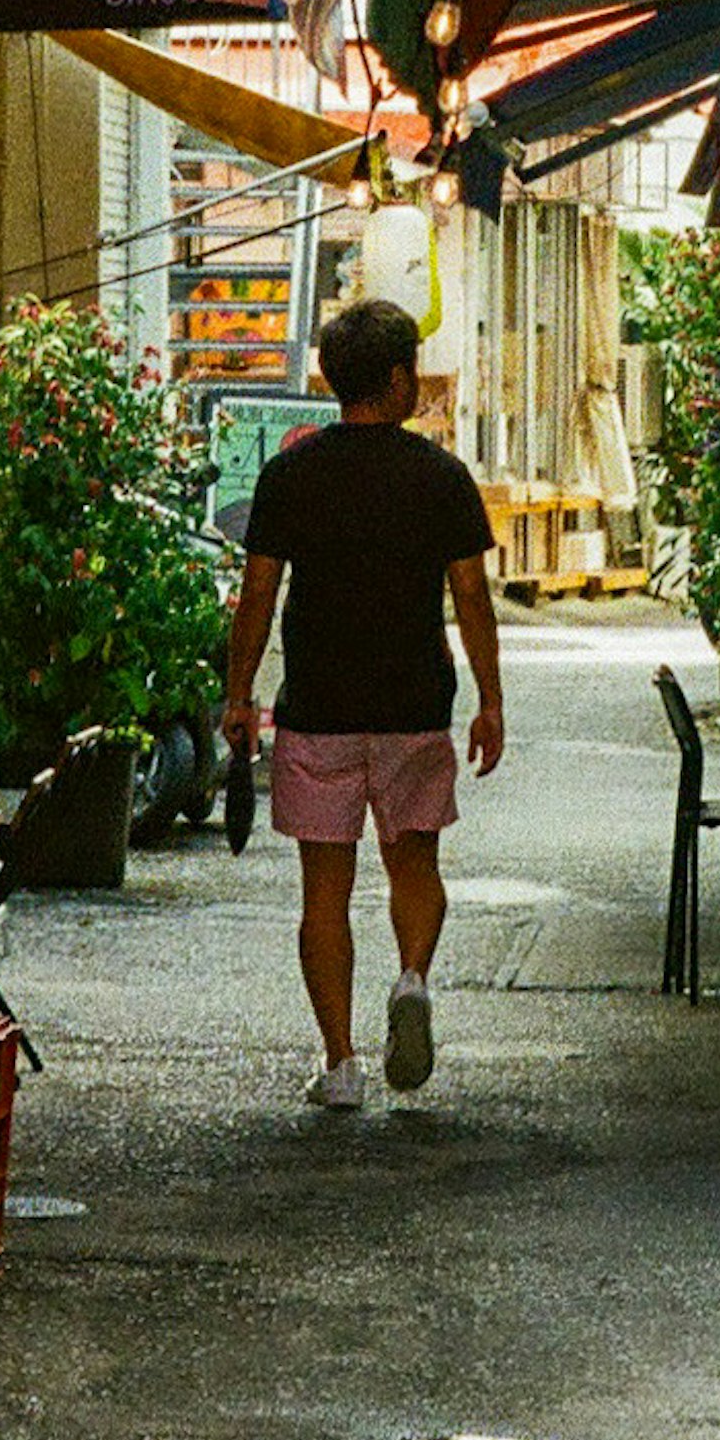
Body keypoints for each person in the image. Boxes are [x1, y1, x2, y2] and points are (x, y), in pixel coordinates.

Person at [222, 289, 504, 1115]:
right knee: (415, 862)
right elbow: (473, 597)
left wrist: (239, 694)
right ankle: (411, 976)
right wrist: (490, 699)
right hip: (415, 700)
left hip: (318, 706)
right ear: (395, 378)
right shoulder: (442, 477)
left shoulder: (291, 475)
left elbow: (257, 596)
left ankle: (339, 1063)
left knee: (324, 890)